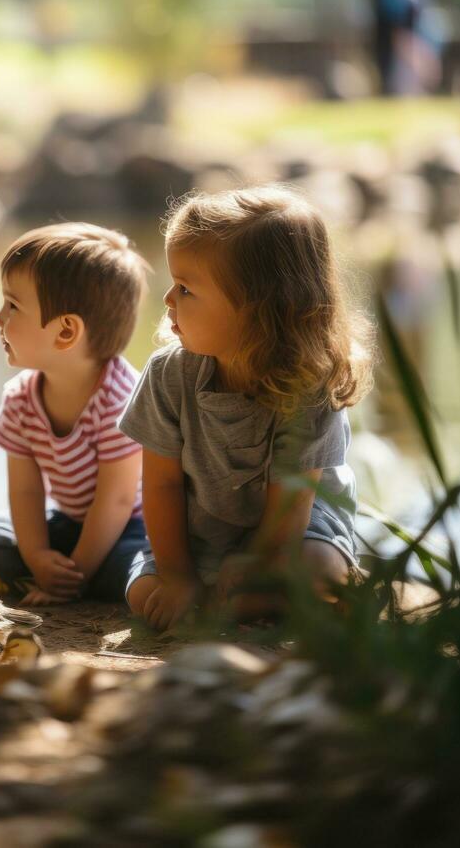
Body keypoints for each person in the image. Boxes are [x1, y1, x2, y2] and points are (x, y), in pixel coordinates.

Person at [120, 186, 375, 628]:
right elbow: (160, 487)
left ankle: (307, 587)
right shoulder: (168, 374)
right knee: (145, 595)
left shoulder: (309, 389)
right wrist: (178, 575)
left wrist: (258, 564)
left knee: (314, 571)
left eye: (184, 288)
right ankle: (228, 596)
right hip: (199, 531)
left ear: (259, 311)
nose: (167, 300)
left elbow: (289, 512)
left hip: (294, 533)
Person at [0, 223, 151, 605]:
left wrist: (75, 572)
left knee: (137, 572)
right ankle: (60, 575)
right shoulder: (21, 397)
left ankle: (83, 580)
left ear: (64, 332)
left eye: (13, 306)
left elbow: (117, 502)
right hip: (69, 521)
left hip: (131, 528)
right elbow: (26, 491)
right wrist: (38, 556)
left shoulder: (120, 400)